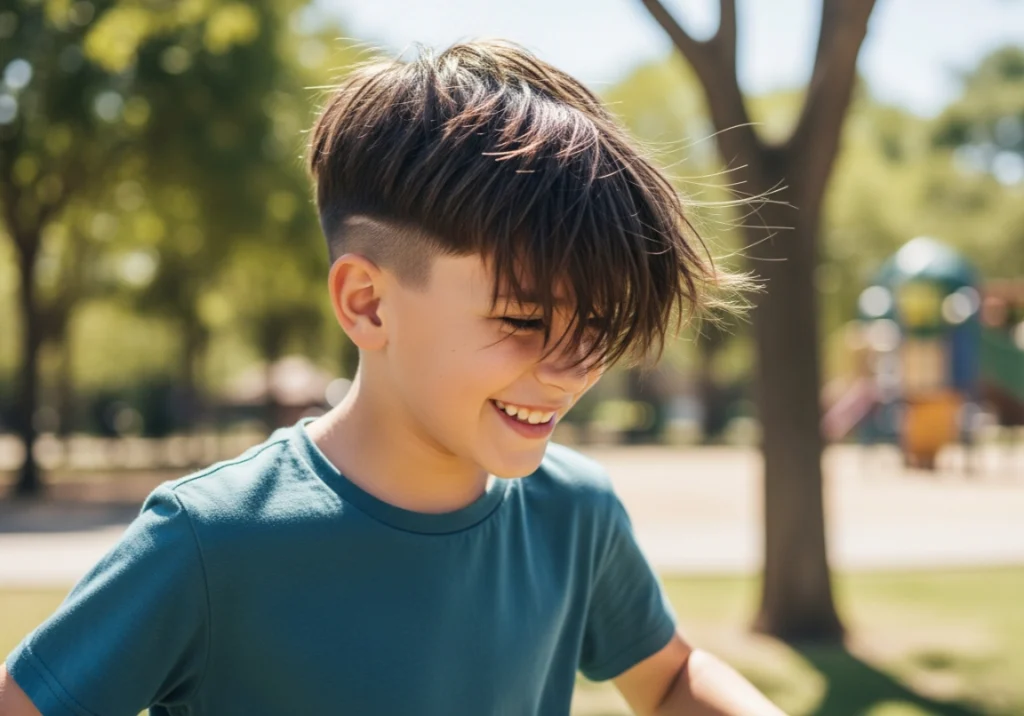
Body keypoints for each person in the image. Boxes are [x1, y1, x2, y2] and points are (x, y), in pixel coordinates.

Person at [0, 40, 784, 716]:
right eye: (524, 319)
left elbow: (673, 677)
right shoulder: (211, 541)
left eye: (599, 326)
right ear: (368, 304)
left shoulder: (573, 514)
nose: (572, 368)